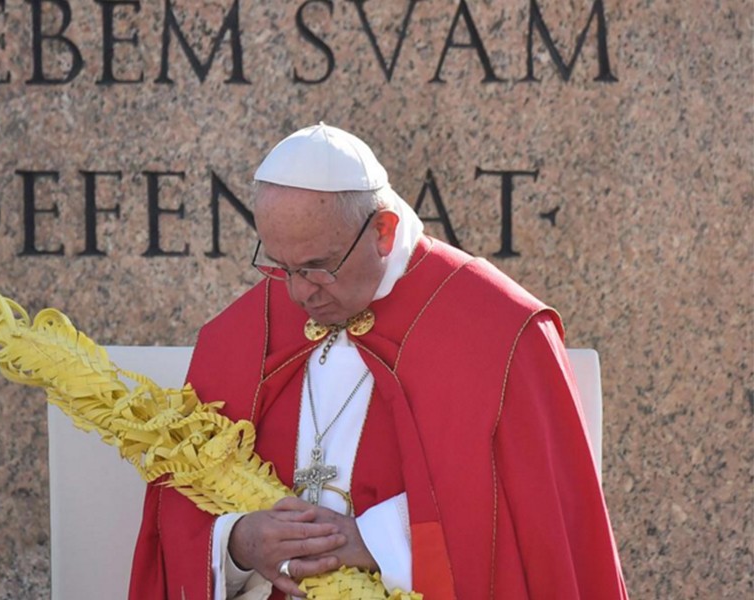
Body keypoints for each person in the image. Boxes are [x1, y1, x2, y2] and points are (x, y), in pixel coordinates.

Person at [129, 123, 628, 599]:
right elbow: (177, 511)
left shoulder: (499, 332)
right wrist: (239, 543)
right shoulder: (243, 332)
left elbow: (533, 525)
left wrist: (378, 541)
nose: (300, 293)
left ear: (384, 231)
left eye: (319, 268)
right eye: (281, 267)